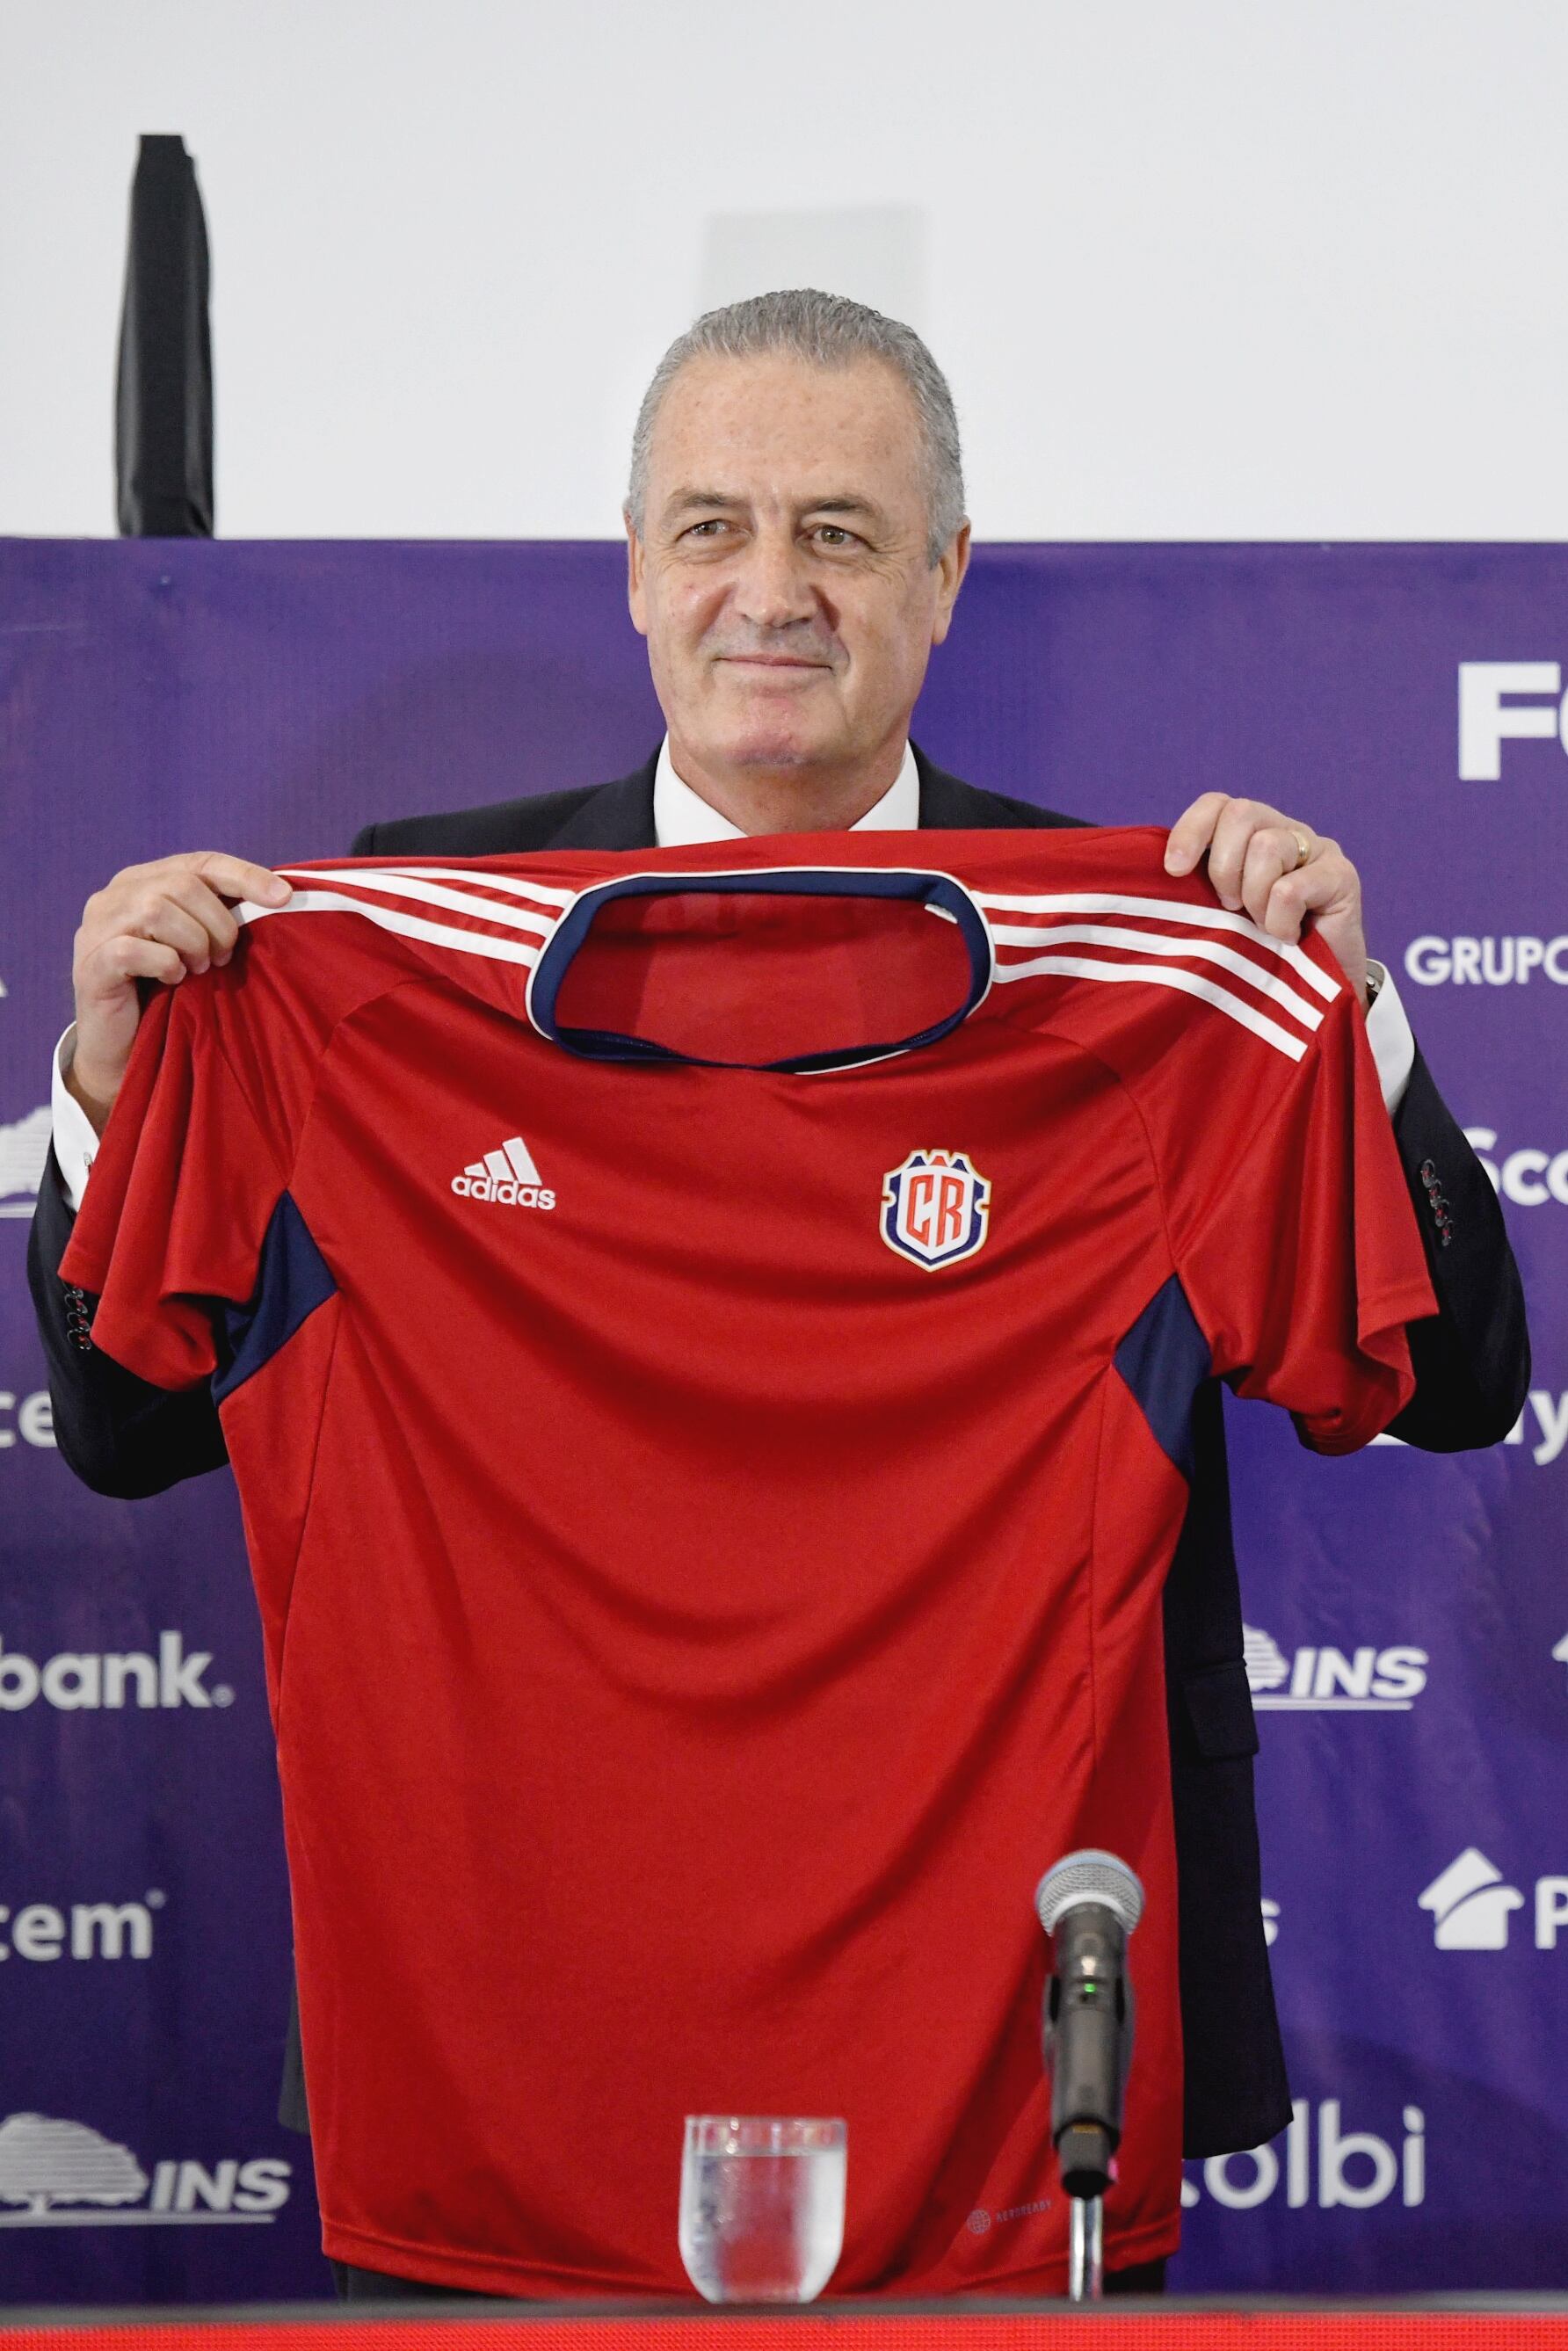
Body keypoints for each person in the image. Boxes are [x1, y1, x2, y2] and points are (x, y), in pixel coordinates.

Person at [28, 290, 1528, 2297]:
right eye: (714, 526)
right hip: (503, 2041)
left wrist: (1340, 1020)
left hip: (1020, 2049)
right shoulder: (363, 954)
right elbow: (131, 1433)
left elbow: (1448, 1386)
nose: (771, 590)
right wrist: (118, 1102)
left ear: (945, 576)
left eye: (838, 531)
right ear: (635, 569)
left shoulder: (1152, 962)